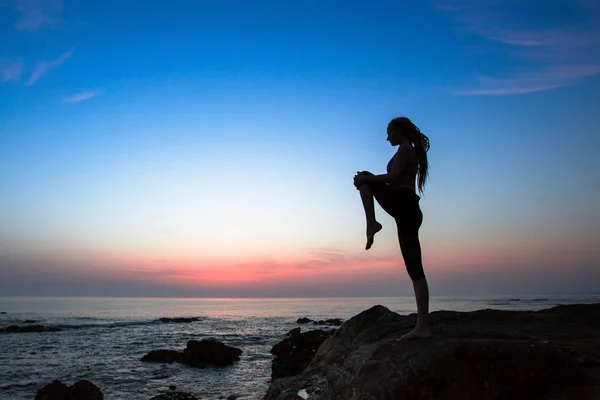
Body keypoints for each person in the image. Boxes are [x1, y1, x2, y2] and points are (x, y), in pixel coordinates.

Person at [353, 117, 432, 339]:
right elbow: (393, 181)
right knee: (414, 269)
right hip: (405, 207)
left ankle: (423, 327)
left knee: (415, 269)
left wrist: (364, 180)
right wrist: (366, 181)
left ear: (399, 131)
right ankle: (423, 324)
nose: (387, 137)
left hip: (405, 205)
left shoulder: (406, 149)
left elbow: (394, 177)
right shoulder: (405, 150)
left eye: (389, 132)